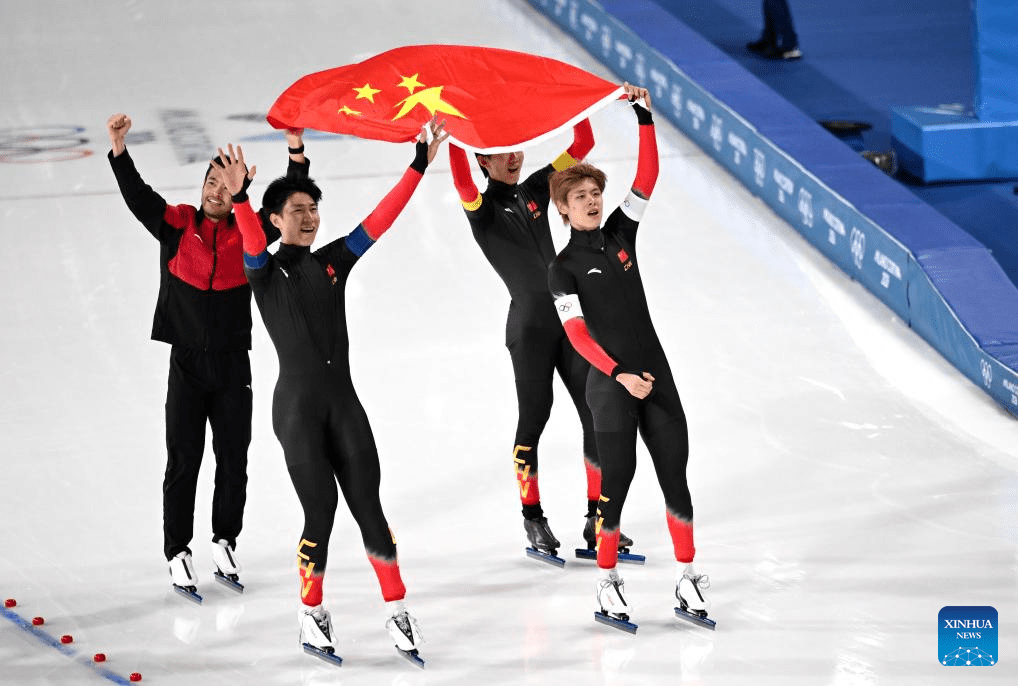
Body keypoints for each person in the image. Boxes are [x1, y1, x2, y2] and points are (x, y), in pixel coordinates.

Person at [217, 119, 448, 658]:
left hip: (344, 404)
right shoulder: (263, 270)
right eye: (296, 211)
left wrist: (417, 165)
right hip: (297, 410)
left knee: (370, 507)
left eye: (312, 209)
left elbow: (380, 221)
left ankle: (397, 609)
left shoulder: (333, 263)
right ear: (276, 221)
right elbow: (250, 238)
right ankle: (311, 612)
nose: (308, 217)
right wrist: (243, 198)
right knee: (319, 511)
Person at [106, 113, 308, 595]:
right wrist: (119, 150)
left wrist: (296, 152)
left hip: (233, 366)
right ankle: (177, 550)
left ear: (239, 187)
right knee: (184, 460)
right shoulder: (177, 223)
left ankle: (224, 541)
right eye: (210, 181)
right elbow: (139, 197)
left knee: (233, 458)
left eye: (225, 183)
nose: (216, 190)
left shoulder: (250, 232)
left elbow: (292, 203)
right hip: (188, 367)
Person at [546, 89, 711, 625]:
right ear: (564, 209)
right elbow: (575, 335)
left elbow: (647, 177)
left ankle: (688, 578)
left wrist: (643, 118)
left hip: (655, 376)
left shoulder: (621, 233)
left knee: (676, 477)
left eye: (596, 192)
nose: (593, 201)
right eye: (581, 196)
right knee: (615, 485)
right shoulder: (562, 268)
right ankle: (608, 582)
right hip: (610, 385)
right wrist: (618, 374)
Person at [448, 99, 634, 560]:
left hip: (569, 319)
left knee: (594, 415)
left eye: (516, 149)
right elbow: (459, 179)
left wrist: (578, 103)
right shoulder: (481, 207)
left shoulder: (536, 189)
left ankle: (598, 520)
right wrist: (452, 131)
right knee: (535, 418)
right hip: (529, 328)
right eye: (500, 153)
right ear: (482, 161)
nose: (513, 157)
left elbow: (583, 144)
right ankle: (533, 518)